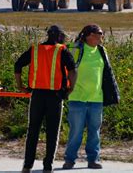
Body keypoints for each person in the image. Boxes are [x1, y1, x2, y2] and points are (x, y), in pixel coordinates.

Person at [14, 25, 77, 173]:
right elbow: (73, 71)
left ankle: (27, 166)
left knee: (33, 131)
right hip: (55, 97)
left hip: (37, 96)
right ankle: (47, 166)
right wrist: (70, 89)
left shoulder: (35, 49)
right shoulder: (62, 50)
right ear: (60, 36)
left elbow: (18, 65)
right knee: (52, 132)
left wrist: (20, 85)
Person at [62, 24, 120, 170]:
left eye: (101, 34)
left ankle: (93, 159)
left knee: (94, 131)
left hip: (96, 99)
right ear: (88, 35)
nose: (101, 37)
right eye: (98, 34)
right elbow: (62, 64)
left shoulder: (102, 50)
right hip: (77, 97)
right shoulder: (74, 49)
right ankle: (69, 160)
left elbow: (108, 73)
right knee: (76, 131)